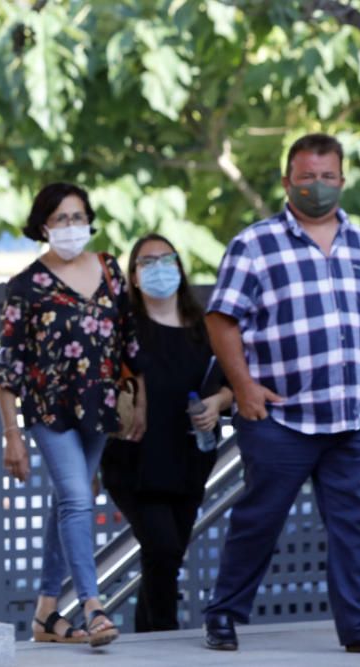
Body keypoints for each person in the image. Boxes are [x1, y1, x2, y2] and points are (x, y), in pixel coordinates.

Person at [202, 133, 360, 656]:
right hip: (279, 417)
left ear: (342, 179)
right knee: (259, 520)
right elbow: (221, 318)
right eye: (307, 177)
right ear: (286, 181)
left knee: (357, 524)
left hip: (351, 416)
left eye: (327, 177)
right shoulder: (255, 243)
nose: (317, 186)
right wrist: (244, 387)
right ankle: (224, 614)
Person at [0, 182, 145, 647]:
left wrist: (138, 399)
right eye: (61, 219)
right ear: (43, 226)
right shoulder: (26, 286)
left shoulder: (109, 269)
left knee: (66, 504)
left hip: (100, 408)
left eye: (79, 217)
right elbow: (7, 367)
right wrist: (11, 436)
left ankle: (45, 615)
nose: (72, 227)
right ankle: (93, 607)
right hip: (49, 410)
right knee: (78, 498)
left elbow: (130, 342)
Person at [101, 233, 232, 632]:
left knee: (168, 557)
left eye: (166, 259)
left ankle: (149, 638)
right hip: (134, 460)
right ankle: (164, 632)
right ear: (134, 278)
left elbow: (231, 383)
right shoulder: (122, 329)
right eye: (146, 262)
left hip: (189, 456)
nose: (158, 267)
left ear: (179, 266)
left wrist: (217, 404)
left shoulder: (205, 327)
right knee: (162, 547)